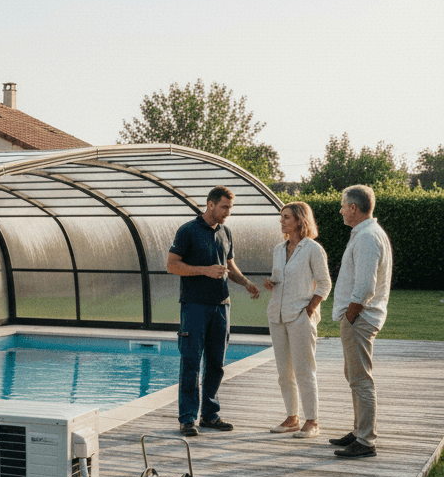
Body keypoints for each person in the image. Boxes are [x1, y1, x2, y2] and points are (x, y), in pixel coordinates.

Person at [167, 186, 260, 436]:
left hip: (222, 306)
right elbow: (172, 265)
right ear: (210, 205)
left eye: (230, 207)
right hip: (194, 306)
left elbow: (230, 266)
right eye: (224, 207)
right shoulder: (187, 231)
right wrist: (205, 270)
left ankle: (210, 415)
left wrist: (246, 283)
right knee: (191, 363)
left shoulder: (226, 232)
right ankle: (188, 418)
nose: (228, 212)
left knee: (216, 364)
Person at [329, 184, 392, 458]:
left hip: (360, 318)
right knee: (354, 376)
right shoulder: (366, 233)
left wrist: (350, 315)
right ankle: (358, 431)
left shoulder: (367, 237)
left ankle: (365, 441)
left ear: (354, 208)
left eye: (343, 205)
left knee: (360, 379)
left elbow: (366, 286)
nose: (341, 210)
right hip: (359, 317)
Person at [264, 202, 332, 437]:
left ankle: (312, 421)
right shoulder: (278, 249)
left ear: (300, 221)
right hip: (277, 315)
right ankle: (292, 418)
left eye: (286, 217)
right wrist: (270, 284)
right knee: (284, 373)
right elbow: (278, 279)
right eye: (281, 217)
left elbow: (325, 283)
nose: (281, 221)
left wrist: (310, 308)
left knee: (304, 370)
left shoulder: (313, 249)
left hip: (301, 316)